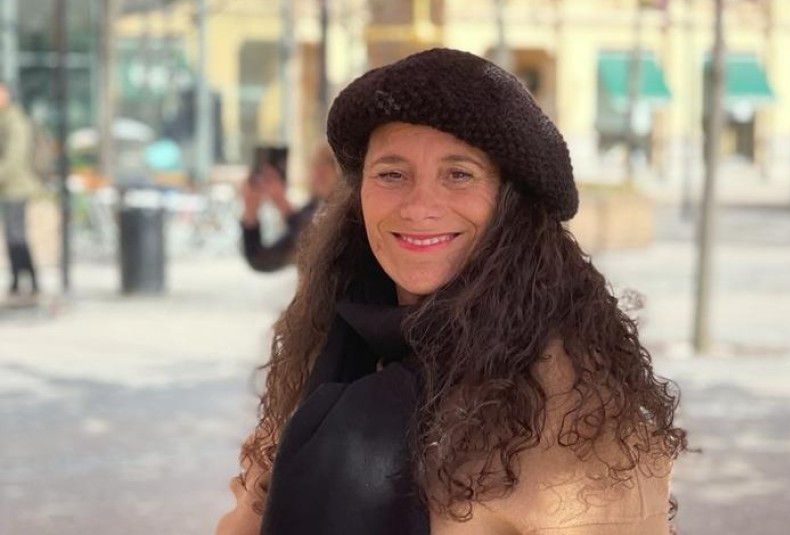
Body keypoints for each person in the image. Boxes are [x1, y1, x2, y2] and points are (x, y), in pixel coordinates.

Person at [216, 48, 687, 535]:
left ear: (512, 205)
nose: (419, 207)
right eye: (391, 174)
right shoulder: (334, 349)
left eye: (459, 174)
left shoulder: (574, 409)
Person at [239, 144, 338, 272]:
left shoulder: (349, 214)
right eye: (315, 164)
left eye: (328, 163)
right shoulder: (312, 209)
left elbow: (314, 237)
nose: (319, 172)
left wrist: (282, 203)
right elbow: (261, 259)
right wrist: (250, 211)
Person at [0, 81, 41, 300]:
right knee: (12, 235)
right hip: (7, 187)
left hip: (17, 186)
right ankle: (18, 281)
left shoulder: (16, 121)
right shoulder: (4, 119)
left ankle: (29, 280)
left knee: (16, 235)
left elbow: (14, 158)